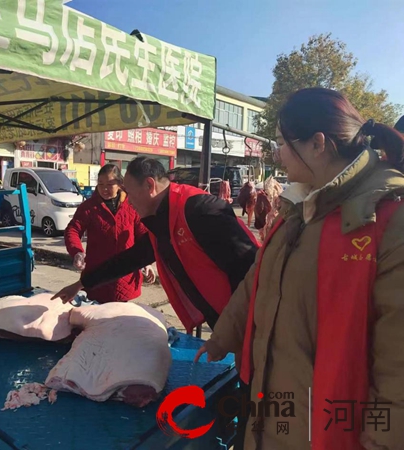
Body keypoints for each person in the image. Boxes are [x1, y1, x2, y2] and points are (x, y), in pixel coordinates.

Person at [196, 87, 404, 450]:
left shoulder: (388, 218)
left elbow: (397, 362)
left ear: (317, 144)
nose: (276, 153)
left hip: (328, 429)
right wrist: (222, 337)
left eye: (281, 142)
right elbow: (257, 280)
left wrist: (383, 442)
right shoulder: (300, 204)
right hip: (269, 408)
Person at [53, 156, 260, 333]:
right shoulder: (160, 220)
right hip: (224, 322)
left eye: (130, 194)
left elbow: (252, 270)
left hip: (248, 322)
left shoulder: (200, 210)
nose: (129, 202)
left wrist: (231, 329)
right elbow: (129, 260)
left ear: (150, 186)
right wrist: (81, 284)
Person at [64, 164, 155, 303]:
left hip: (126, 278)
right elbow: (73, 230)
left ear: (119, 184)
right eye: (100, 184)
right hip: (97, 276)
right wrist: (77, 251)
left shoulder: (132, 205)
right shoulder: (89, 207)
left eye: (109, 184)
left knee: (121, 320)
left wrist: (146, 263)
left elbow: (143, 234)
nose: (104, 188)